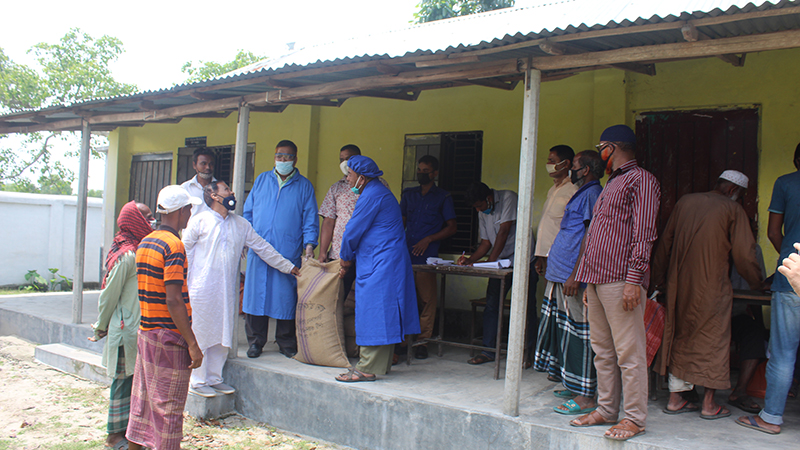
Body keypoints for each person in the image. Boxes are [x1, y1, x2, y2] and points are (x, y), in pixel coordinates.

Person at [569, 125, 660, 441]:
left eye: (600, 148)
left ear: (610, 147)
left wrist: (635, 280)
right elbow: (597, 235)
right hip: (597, 280)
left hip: (621, 279)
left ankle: (634, 418)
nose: (599, 155)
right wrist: (586, 282)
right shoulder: (612, 183)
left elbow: (644, 234)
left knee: (628, 353)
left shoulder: (642, 180)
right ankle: (607, 409)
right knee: (603, 351)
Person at [652, 170, 763, 420]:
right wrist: (758, 283)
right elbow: (746, 256)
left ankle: (675, 399)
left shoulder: (685, 202)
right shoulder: (732, 210)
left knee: (680, 337)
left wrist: (657, 277)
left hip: (678, 287)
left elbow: (665, 243)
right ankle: (709, 404)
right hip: (712, 289)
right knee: (713, 342)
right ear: (734, 191)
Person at [183, 180, 300, 397]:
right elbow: (185, 252)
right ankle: (198, 381)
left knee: (223, 333)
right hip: (201, 289)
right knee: (202, 332)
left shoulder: (240, 224)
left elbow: (263, 248)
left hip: (227, 289)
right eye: (226, 189)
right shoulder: (199, 221)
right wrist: (184, 284)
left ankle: (215, 378)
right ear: (214, 196)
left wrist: (290, 267)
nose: (232, 193)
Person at [126, 185, 204, 450]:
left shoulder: (146, 241)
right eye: (189, 209)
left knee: (143, 400)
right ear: (181, 212)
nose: (190, 214)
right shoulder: (174, 245)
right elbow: (173, 299)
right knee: (169, 408)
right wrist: (192, 343)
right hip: (169, 336)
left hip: (146, 331)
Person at [335, 155, 421, 382]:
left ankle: (366, 368)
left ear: (361, 178)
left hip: (382, 263)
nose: (347, 179)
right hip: (381, 261)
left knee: (375, 313)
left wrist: (344, 258)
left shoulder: (372, 195)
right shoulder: (376, 192)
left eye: (350, 175)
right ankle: (375, 364)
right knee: (383, 312)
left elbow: (352, 231)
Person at [533, 150, 604, 415]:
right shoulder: (580, 192)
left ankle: (586, 395)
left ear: (585, 169)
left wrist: (576, 274)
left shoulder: (592, 194)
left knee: (580, 333)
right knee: (565, 331)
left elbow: (589, 237)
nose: (571, 169)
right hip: (560, 274)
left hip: (573, 278)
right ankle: (573, 384)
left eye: (574, 165)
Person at [738, 142, 800, 435]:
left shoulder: (786, 183)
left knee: (783, 353)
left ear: (796, 159)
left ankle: (770, 418)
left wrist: (788, 255)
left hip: (791, 279)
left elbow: (774, 231)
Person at [242, 140, 318, 359]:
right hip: (259, 249)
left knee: (285, 297)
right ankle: (256, 341)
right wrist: (246, 239)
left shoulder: (304, 186)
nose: (283, 160)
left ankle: (285, 341)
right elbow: (248, 213)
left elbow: (310, 218)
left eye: (288, 157)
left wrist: (309, 245)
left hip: (288, 250)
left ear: (296, 159)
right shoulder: (261, 180)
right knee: (256, 296)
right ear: (274, 156)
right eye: (279, 156)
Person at [89, 201, 154, 450]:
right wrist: (101, 326)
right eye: (146, 218)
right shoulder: (127, 255)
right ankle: (114, 436)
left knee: (136, 381)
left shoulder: (140, 249)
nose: (151, 223)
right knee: (122, 381)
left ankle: (131, 433)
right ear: (133, 220)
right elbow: (109, 295)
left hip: (139, 327)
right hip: (125, 328)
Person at [457, 182, 538, 366]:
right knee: (492, 305)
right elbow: (486, 242)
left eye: (480, 205)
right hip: (500, 263)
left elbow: (504, 231)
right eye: (475, 207)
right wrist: (471, 260)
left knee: (526, 307)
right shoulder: (481, 211)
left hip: (524, 261)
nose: (478, 210)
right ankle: (489, 350)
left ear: (489, 198)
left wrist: (491, 264)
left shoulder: (508, 197)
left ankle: (527, 353)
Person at [400, 155, 457, 359]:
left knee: (427, 300)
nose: (421, 174)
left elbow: (452, 227)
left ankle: (422, 342)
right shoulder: (409, 195)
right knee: (405, 297)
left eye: (426, 171)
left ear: (435, 173)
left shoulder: (443, 197)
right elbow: (400, 223)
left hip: (427, 257)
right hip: (405, 255)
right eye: (419, 170)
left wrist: (429, 239)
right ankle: (404, 339)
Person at [318, 144, 388, 298]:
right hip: (340, 253)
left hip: (369, 252)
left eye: (348, 159)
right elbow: (329, 221)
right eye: (341, 160)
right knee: (337, 296)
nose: (344, 163)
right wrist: (323, 252)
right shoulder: (336, 188)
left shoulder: (378, 185)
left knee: (368, 296)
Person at [534, 145, 578, 277]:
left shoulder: (573, 190)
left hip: (561, 256)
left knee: (561, 294)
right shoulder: (552, 190)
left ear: (566, 163)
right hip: (546, 255)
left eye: (552, 161)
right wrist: (540, 256)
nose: (548, 164)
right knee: (550, 295)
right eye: (548, 160)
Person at [180, 147, 217, 216]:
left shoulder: (221, 188)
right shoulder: (185, 188)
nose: (208, 167)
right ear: (194, 165)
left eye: (211, 164)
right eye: (203, 164)